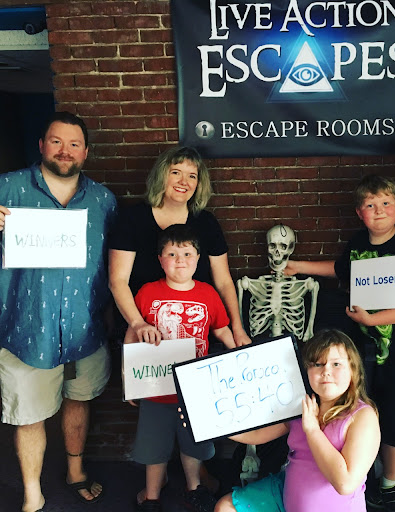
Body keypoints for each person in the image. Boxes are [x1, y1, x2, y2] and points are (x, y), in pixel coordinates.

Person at [285, 175, 395, 512]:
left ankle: (391, 488)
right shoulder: (357, 244)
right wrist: (298, 267)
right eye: (370, 205)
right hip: (373, 352)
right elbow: (342, 270)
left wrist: (372, 321)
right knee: (392, 411)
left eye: (385, 203)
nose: (378, 210)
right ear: (359, 212)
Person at [0, 111, 117, 512]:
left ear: (85, 152)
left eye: (73, 144)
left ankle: (75, 471)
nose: (64, 151)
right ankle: (32, 492)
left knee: (78, 400)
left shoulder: (103, 201)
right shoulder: (8, 189)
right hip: (27, 328)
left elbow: (113, 263)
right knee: (29, 414)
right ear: (41, 146)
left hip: (86, 326)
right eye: (56, 141)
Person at [125, 224, 237, 512]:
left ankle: (194, 488)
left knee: (193, 444)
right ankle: (152, 496)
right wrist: (128, 377)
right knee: (155, 446)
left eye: (187, 254)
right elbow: (132, 334)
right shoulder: (148, 292)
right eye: (172, 254)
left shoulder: (208, 293)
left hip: (195, 390)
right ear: (160, 259)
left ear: (198, 258)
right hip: (156, 389)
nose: (180, 261)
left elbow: (221, 328)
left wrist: (237, 350)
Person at [214, 328, 380, 512]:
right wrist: (210, 425)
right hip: (284, 496)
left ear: (353, 370)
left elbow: (345, 484)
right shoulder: (302, 405)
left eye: (336, 364)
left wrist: (312, 430)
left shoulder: (363, 417)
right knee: (226, 507)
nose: (326, 371)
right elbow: (256, 434)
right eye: (318, 364)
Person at [109, 145, 251, 347]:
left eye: (192, 176)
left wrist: (237, 328)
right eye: (176, 172)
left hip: (196, 338)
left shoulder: (206, 223)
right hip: (143, 336)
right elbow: (118, 280)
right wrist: (138, 324)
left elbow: (224, 282)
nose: (184, 182)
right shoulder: (132, 219)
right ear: (161, 175)